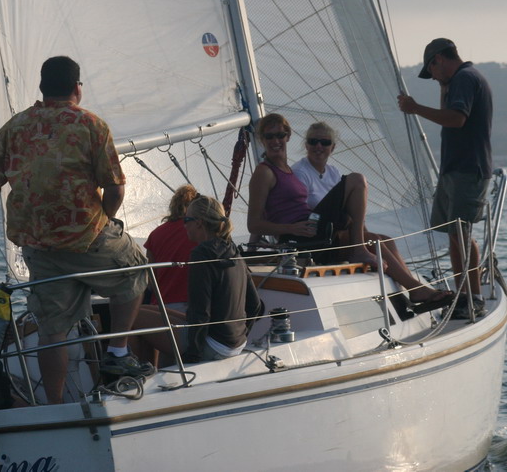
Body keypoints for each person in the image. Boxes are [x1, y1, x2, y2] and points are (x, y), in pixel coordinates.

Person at [0, 56, 152, 404]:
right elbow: (115, 188)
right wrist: (105, 220)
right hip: (87, 238)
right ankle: (117, 353)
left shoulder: (15, 127)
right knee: (137, 268)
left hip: (39, 247)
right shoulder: (91, 125)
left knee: (53, 330)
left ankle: (53, 406)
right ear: (77, 88)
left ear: (42, 88)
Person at [291, 121, 453, 310]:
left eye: (325, 142)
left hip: (336, 232)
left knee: (384, 240)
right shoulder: (300, 172)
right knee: (357, 181)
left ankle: (407, 292)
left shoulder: (332, 172)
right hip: (317, 238)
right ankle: (414, 288)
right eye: (313, 141)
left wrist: (363, 232)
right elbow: (302, 213)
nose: (318, 146)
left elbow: (349, 208)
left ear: (332, 147)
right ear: (306, 145)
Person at [397, 38, 493, 319]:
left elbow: (456, 119)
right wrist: (442, 87)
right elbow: (449, 115)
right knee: (455, 234)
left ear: (438, 60)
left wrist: (415, 108)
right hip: (455, 169)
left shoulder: (465, 78)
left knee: (461, 234)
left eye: (432, 71)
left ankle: (473, 297)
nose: (434, 77)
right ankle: (464, 294)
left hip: (467, 169)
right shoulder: (460, 80)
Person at [131, 195, 263, 366]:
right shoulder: (232, 250)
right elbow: (255, 305)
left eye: (186, 220)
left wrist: (193, 355)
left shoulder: (201, 254)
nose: (184, 225)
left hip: (213, 345)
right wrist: (240, 336)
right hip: (235, 343)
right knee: (143, 310)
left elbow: (201, 311)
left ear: (199, 223)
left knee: (133, 317)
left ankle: (145, 373)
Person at [247, 113, 372, 266]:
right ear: (262, 140)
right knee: (357, 180)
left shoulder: (288, 170)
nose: (275, 141)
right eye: (269, 136)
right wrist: (290, 229)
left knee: (379, 240)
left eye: (280, 135)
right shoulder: (264, 172)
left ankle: (403, 282)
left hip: (312, 229)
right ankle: (358, 250)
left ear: (288, 136)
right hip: (298, 239)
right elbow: (253, 224)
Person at [143, 184, 199, 312]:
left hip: (161, 307)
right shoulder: (198, 231)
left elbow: (150, 281)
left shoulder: (155, 235)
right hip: (192, 304)